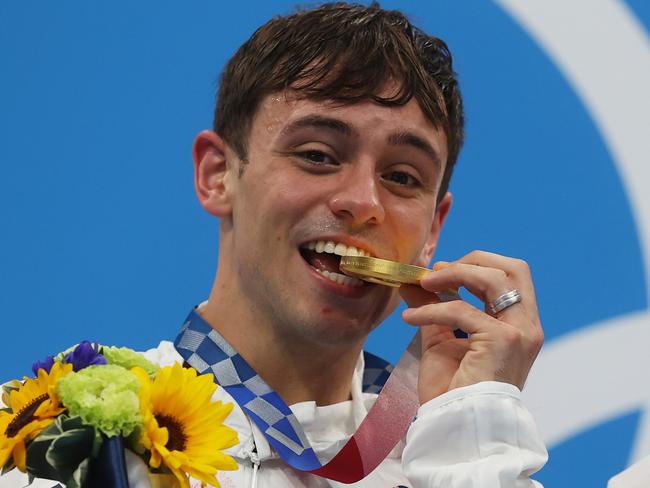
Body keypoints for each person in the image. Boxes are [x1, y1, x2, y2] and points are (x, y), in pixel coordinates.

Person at [1, 2, 547, 487]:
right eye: (317, 155)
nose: (363, 202)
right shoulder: (56, 444)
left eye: (403, 176)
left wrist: (470, 427)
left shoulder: (457, 448)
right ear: (218, 175)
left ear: (432, 231)